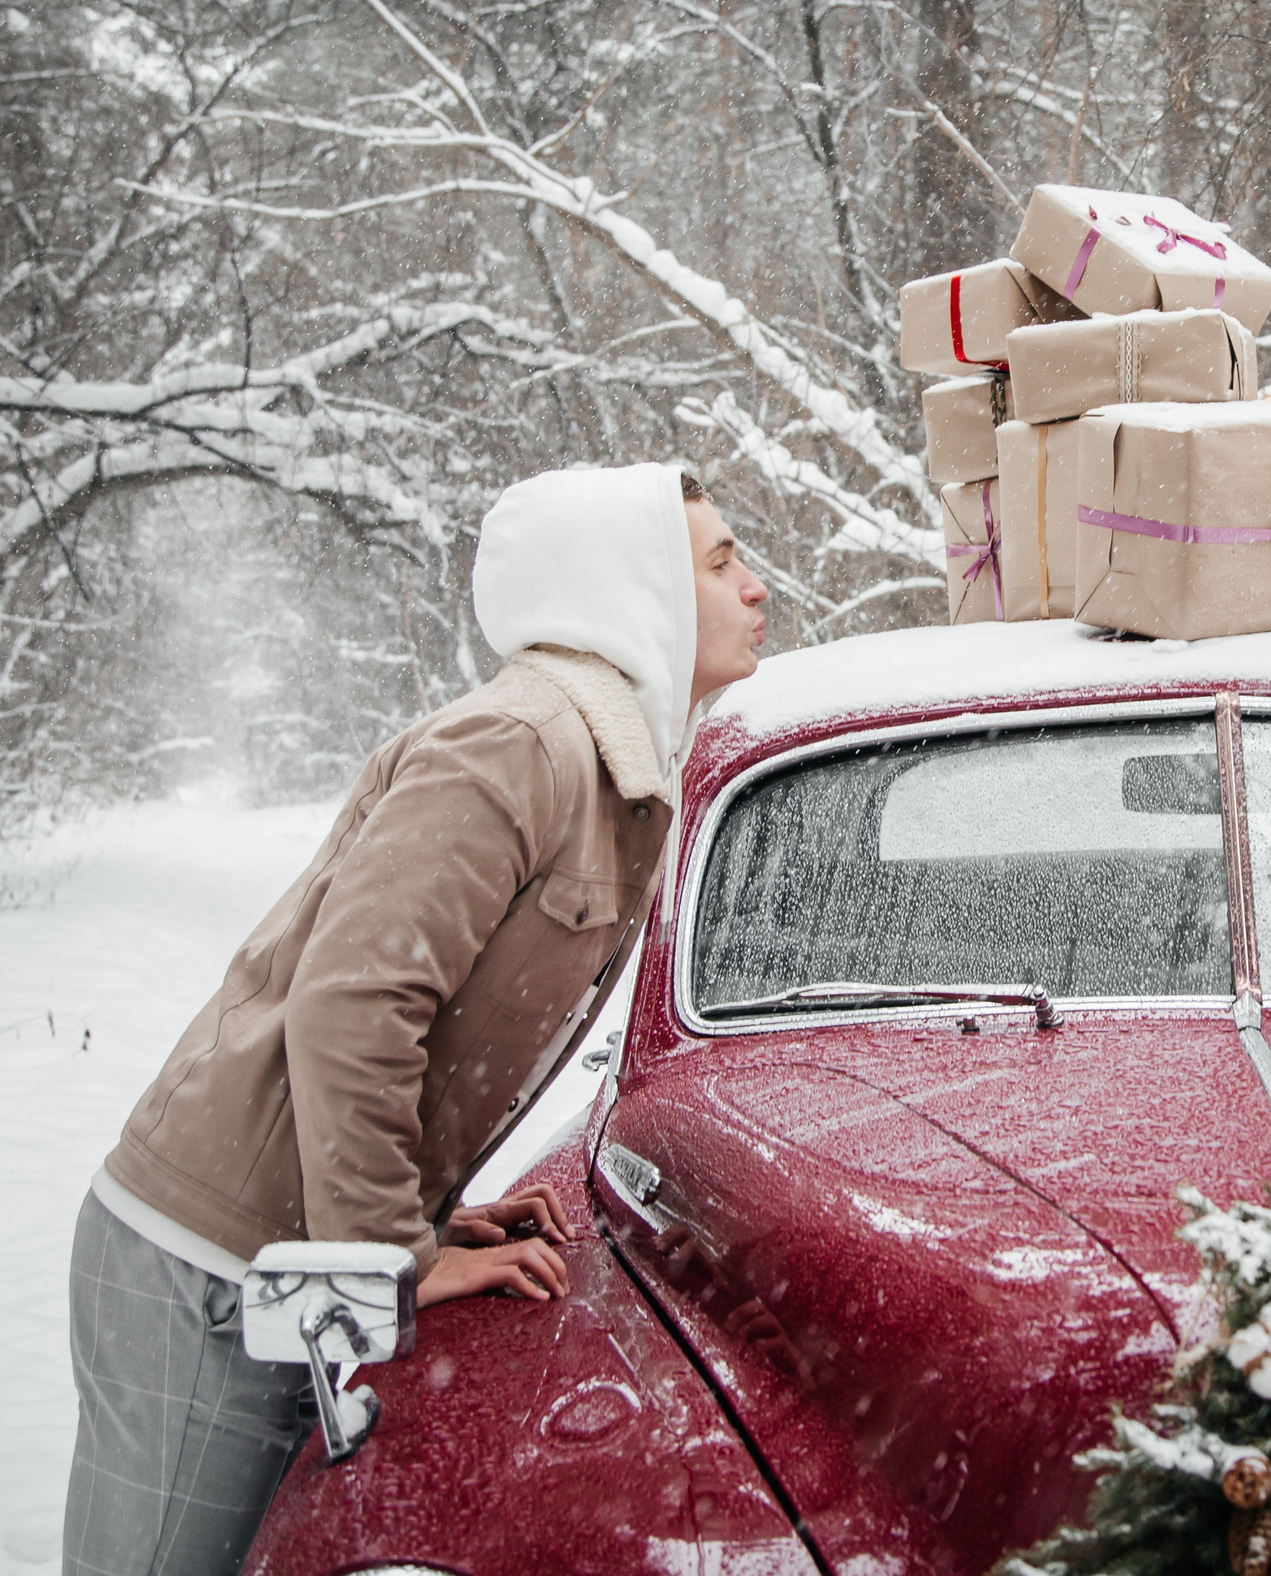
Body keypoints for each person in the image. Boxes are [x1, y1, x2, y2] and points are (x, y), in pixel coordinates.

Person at [63, 463, 768, 1576]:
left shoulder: (609, 768)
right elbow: (353, 1000)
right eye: (722, 562)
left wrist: (426, 1218)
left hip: (289, 1253)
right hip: (206, 1258)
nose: (756, 586)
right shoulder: (516, 747)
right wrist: (389, 1250)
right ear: (634, 590)